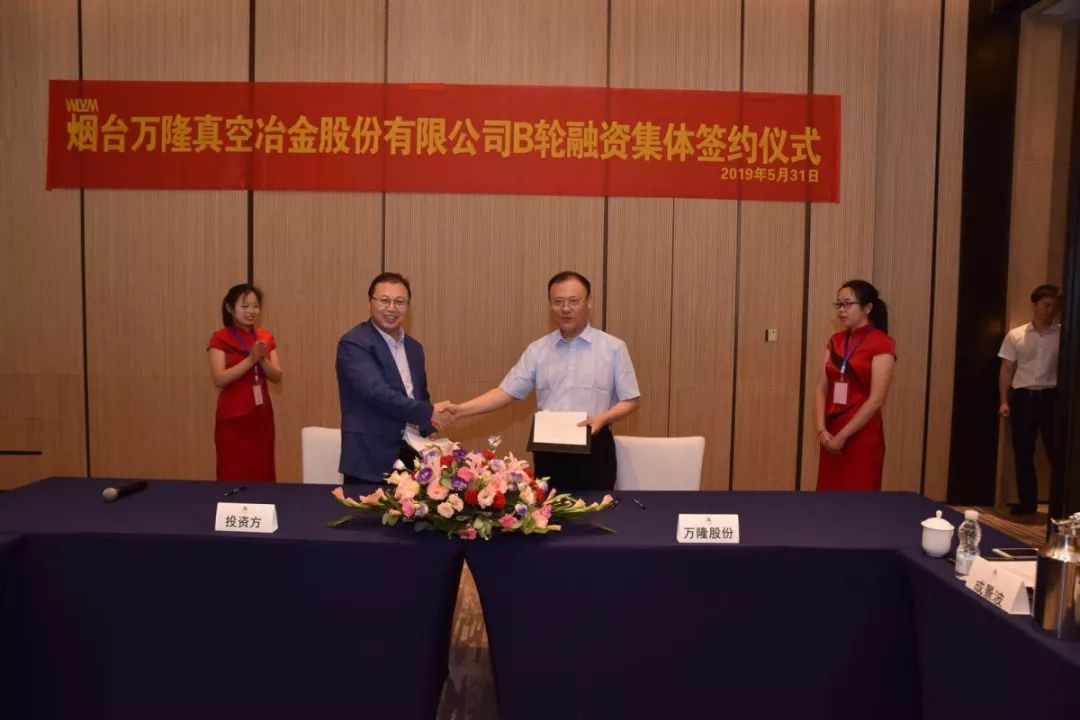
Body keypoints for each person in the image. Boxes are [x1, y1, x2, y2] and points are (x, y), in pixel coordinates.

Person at [446, 271, 641, 491]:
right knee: (548, 509)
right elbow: (506, 392)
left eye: (574, 301)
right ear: (550, 306)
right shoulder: (538, 350)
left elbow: (631, 400)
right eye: (558, 302)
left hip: (595, 446)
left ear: (588, 303)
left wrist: (603, 419)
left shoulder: (613, 348)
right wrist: (461, 410)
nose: (565, 308)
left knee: (598, 510)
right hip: (549, 450)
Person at [336, 272, 452, 490]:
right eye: (384, 301)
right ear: (370, 303)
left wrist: (429, 426)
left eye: (399, 302)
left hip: (414, 460)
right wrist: (428, 412)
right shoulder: (354, 343)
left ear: (408, 307)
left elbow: (419, 394)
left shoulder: (414, 348)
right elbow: (376, 393)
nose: (391, 308)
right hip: (370, 459)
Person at [814, 279, 896, 491]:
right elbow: (822, 388)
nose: (841, 310)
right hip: (831, 432)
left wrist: (843, 436)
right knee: (826, 496)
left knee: (858, 498)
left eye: (848, 304)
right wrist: (821, 430)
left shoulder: (882, 342)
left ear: (867, 308)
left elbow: (876, 399)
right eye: (838, 304)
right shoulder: (835, 340)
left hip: (861, 435)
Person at [208, 283, 282, 482]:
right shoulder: (220, 338)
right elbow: (219, 378)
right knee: (233, 471)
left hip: (261, 417)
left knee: (262, 470)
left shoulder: (265, 337)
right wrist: (250, 360)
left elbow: (277, 376)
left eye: (255, 306)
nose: (251, 311)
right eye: (245, 306)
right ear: (230, 308)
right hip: (232, 419)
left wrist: (261, 358)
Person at [997, 284, 1062, 515]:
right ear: (1035, 305)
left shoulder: (1062, 335)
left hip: (1051, 397)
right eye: (1046, 305)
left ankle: (1062, 503)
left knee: (1057, 451)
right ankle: (1028, 503)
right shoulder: (1016, 335)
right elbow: (1006, 369)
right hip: (1024, 397)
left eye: (1054, 307)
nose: (1050, 310)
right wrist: (1004, 401)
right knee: (1023, 451)